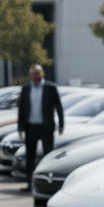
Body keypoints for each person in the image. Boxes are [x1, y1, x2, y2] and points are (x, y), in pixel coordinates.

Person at [17, 64, 64, 193]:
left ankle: (49, 185)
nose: (35, 76)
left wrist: (61, 124)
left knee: (48, 156)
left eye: (38, 73)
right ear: (30, 75)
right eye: (33, 74)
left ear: (42, 74)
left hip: (46, 127)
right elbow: (22, 109)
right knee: (30, 157)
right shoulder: (26, 89)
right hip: (30, 127)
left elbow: (58, 107)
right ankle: (30, 184)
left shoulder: (50, 88)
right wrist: (20, 127)